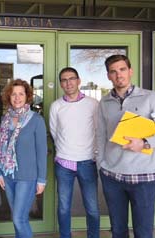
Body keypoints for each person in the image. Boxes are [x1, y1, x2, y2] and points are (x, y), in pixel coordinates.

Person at [96, 54, 155, 238]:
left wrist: (146, 143)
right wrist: (100, 163)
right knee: (118, 230)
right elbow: (100, 135)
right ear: (108, 76)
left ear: (130, 71)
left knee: (143, 232)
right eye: (113, 72)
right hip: (112, 176)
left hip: (143, 177)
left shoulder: (151, 98)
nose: (119, 75)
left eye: (122, 69)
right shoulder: (104, 102)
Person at [49, 67, 100, 238]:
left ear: (79, 81)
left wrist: (94, 154)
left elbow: (98, 130)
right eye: (64, 80)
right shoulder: (56, 106)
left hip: (87, 162)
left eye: (72, 79)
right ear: (61, 84)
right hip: (64, 164)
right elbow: (55, 132)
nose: (68, 82)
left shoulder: (93, 104)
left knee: (92, 208)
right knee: (63, 207)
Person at [0, 79, 47, 238]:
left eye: (21, 94)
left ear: (27, 96)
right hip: (8, 175)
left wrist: (41, 179)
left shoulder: (36, 120)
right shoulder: (5, 119)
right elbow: (0, 148)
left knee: (19, 219)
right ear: (9, 97)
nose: (17, 98)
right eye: (13, 94)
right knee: (18, 218)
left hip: (27, 177)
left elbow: (41, 151)